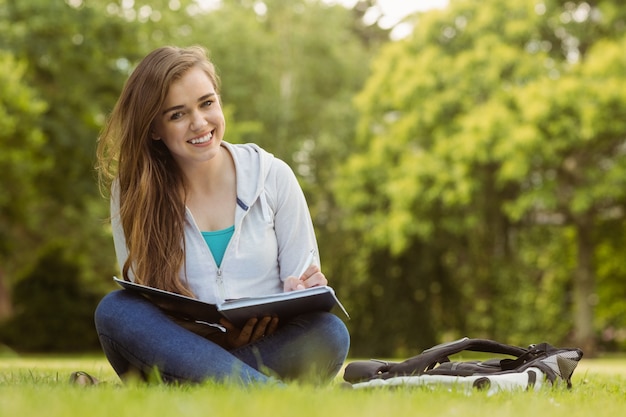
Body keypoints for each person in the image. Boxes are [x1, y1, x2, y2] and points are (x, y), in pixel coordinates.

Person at [94, 45, 350, 385]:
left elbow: (301, 281)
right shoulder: (133, 192)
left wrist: (305, 287)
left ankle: (188, 389)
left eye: (207, 103)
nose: (200, 123)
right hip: (178, 350)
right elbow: (149, 304)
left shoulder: (273, 176)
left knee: (329, 332)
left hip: (267, 347)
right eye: (177, 114)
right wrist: (220, 341)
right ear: (154, 128)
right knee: (117, 310)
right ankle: (270, 396)